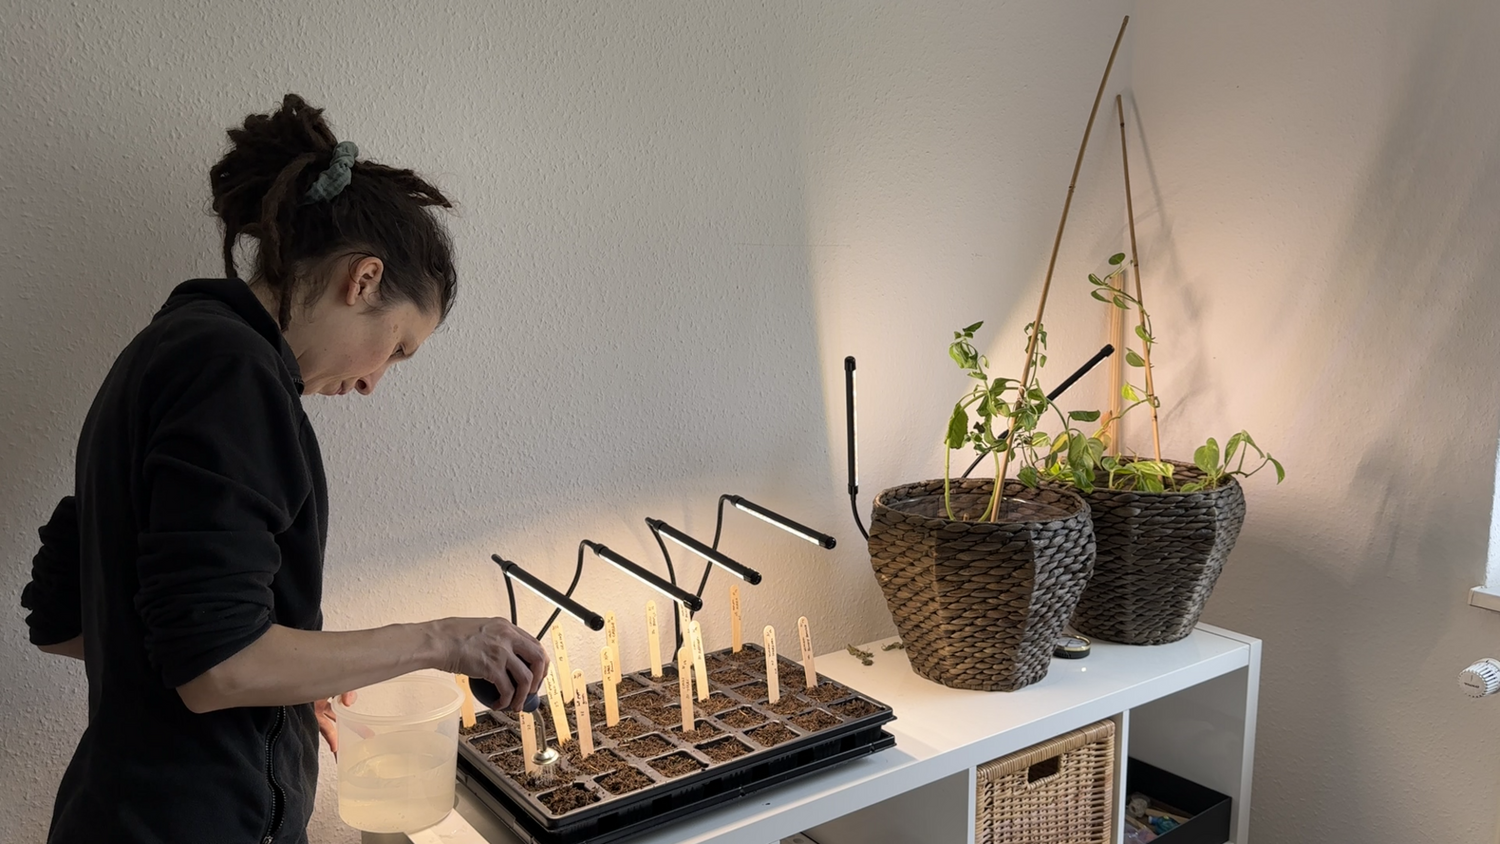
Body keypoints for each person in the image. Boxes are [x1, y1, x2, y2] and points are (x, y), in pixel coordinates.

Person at [19, 94, 549, 844]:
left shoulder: (162, 352)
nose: (372, 383)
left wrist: (287, 684)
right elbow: (217, 666)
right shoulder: (231, 373)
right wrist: (445, 640)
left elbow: (68, 618)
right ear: (363, 280)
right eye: (396, 347)